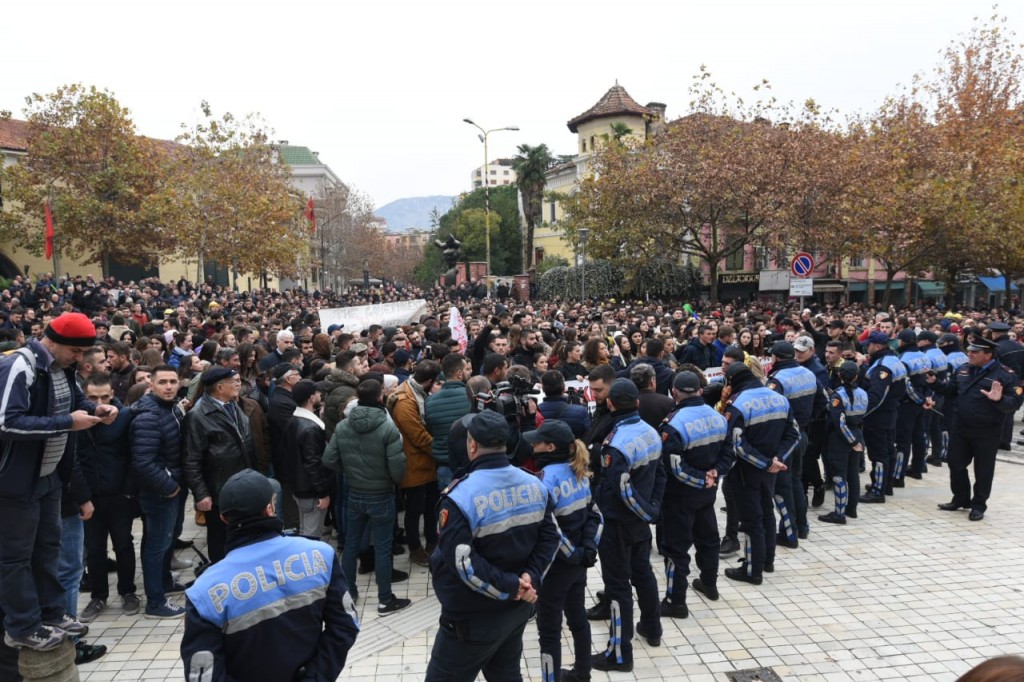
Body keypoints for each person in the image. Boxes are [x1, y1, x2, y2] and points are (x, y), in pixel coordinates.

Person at [0, 312, 113, 652]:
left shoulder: (61, 368)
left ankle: (52, 613)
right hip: (16, 483)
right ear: (53, 342)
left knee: (48, 549)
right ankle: (21, 626)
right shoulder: (18, 367)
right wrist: (67, 422)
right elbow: (7, 423)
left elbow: (75, 402)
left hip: (49, 478)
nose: (81, 360)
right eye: (76, 352)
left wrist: (97, 411)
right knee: (16, 558)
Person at [180, 469, 359, 681]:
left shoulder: (203, 593)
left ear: (223, 518)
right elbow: (346, 625)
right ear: (271, 508)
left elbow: (203, 675)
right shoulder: (321, 555)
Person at [425, 410, 559, 682]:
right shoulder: (535, 484)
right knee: (506, 675)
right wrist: (529, 579)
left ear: (471, 445)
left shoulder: (460, 496)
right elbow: (552, 537)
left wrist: (512, 587)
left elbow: (463, 564)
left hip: (472, 618)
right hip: (518, 609)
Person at [591, 379, 665, 674]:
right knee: (643, 574)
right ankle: (652, 626)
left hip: (619, 523)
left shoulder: (616, 444)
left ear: (610, 404)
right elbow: (661, 475)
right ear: (636, 403)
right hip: (640, 519)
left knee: (618, 585)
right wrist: (652, 510)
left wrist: (644, 513)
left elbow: (620, 490)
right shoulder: (652, 432)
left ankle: (620, 653)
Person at [323, 379, 411, 615]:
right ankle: (385, 600)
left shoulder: (343, 426)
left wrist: (350, 471)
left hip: (355, 492)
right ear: (380, 397)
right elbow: (397, 469)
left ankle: (348, 592)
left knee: (351, 545)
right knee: (382, 548)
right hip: (381, 494)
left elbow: (329, 459)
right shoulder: (387, 428)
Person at [526, 420, 602, 682]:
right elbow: (595, 515)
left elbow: (552, 530)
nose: (532, 446)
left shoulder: (544, 481)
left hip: (555, 568)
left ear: (549, 447)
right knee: (578, 621)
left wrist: (575, 555)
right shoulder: (578, 470)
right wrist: (589, 548)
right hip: (578, 564)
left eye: (536, 442)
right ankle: (583, 675)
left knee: (549, 633)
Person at [658, 371, 733, 618]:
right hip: (708, 492)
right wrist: (715, 474)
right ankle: (709, 584)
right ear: (701, 391)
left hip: (680, 495)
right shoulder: (718, 417)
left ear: (675, 392)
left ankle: (675, 601)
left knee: (676, 549)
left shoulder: (673, 425)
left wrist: (702, 479)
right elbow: (729, 453)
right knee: (708, 539)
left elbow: (675, 466)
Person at [929, 335, 1022, 521]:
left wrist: (999, 399)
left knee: (983, 470)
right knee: (955, 463)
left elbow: (1013, 404)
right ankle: (960, 498)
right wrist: (935, 383)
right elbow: (951, 391)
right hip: (961, 427)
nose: (969, 354)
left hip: (987, 430)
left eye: (974, 352)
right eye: (969, 350)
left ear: (988, 355)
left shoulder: (1006, 375)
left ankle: (978, 505)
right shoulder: (963, 370)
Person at [722, 362, 799, 586]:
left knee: (751, 520)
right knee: (767, 513)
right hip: (772, 468)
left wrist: (765, 463)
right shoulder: (780, 398)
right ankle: (767, 561)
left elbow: (737, 443)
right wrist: (778, 459)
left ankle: (752, 570)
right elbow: (793, 433)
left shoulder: (738, 404)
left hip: (747, 471)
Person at [78, 373, 140, 624]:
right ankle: (98, 595)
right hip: (90, 495)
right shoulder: (79, 419)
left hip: (119, 494)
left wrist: (127, 490)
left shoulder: (124, 418)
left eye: (105, 396)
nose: (100, 401)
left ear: (113, 394)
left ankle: (128, 592)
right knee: (94, 549)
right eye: (93, 397)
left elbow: (132, 455)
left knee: (123, 544)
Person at [131, 364, 188, 619]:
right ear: (150, 385)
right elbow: (143, 462)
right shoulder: (148, 416)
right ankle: (155, 602)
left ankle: (165, 582)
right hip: (159, 492)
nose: (168, 386)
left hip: (170, 487)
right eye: (162, 382)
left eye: (172, 381)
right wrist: (170, 487)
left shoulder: (172, 408)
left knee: (165, 541)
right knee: (156, 544)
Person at [184, 367, 256, 562]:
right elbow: (192, 458)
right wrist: (201, 493)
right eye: (234, 381)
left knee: (241, 536)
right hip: (218, 490)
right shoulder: (199, 415)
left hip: (240, 483)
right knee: (220, 540)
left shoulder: (233, 405)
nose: (238, 385)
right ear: (220, 387)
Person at [765, 341, 820, 546]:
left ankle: (789, 533)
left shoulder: (777, 380)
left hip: (784, 439)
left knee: (782, 487)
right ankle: (802, 526)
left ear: (776, 358)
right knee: (796, 482)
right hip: (802, 434)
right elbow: (822, 401)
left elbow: (771, 413)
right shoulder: (808, 373)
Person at [388, 360, 441, 567]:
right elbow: (418, 436)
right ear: (428, 381)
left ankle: (432, 542)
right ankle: (415, 549)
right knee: (415, 509)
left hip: (426, 462)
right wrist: (440, 451)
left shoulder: (416, 392)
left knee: (430, 506)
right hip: (414, 463)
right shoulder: (405, 401)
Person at [860, 331, 907, 503]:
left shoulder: (882, 367)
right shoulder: (894, 359)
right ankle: (886, 485)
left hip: (878, 416)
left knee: (878, 454)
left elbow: (876, 397)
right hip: (891, 412)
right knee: (888, 450)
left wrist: (861, 414)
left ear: (877, 346)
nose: (867, 347)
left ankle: (877, 490)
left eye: (869, 345)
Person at [282, 380, 333, 538]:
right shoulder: (310, 428)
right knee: (311, 536)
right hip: (310, 490)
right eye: (317, 393)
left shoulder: (292, 421)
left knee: (305, 530)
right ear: (311, 398)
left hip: (298, 486)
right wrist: (322, 493)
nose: (320, 395)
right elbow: (313, 463)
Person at [819, 361, 867, 524]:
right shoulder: (863, 393)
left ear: (839, 375)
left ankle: (839, 513)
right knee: (853, 474)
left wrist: (851, 441)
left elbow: (839, 422)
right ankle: (851, 509)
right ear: (856, 376)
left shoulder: (838, 395)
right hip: (858, 432)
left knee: (839, 475)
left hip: (841, 439)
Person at [425, 353, 472, 490]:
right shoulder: (470, 398)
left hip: (444, 466)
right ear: (459, 373)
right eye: (466, 370)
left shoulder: (430, 401)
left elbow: (431, 429)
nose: (469, 372)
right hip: (468, 463)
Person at [537, 370, 591, 438]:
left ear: (543, 388)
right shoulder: (580, 411)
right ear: (563, 387)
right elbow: (588, 434)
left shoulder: (536, 412)